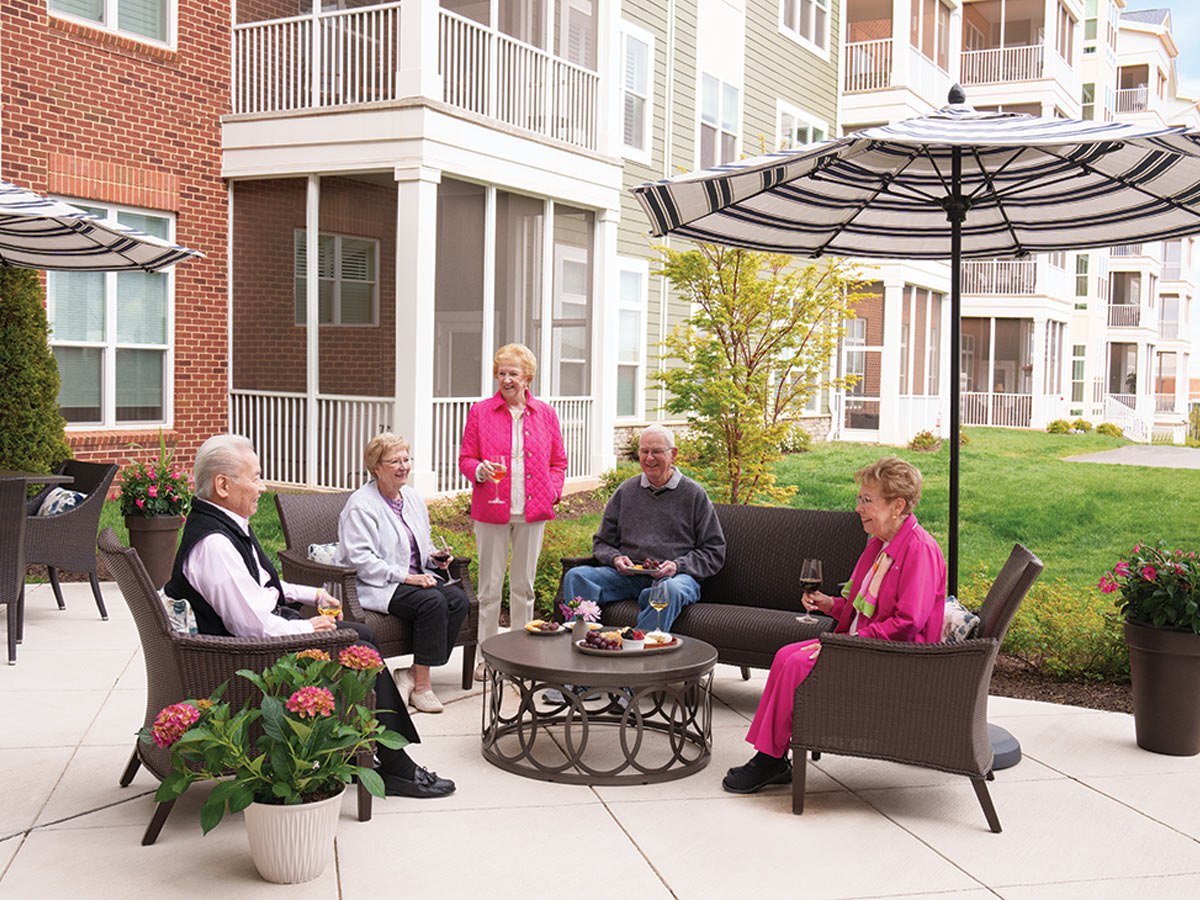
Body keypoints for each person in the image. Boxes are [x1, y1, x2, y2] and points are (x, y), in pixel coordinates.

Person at [163, 434, 455, 799]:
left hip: (244, 644)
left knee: (362, 636)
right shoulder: (215, 545)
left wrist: (310, 593)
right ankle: (394, 765)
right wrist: (307, 626)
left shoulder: (223, 525)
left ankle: (368, 753)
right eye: (255, 477)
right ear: (223, 485)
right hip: (243, 662)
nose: (262, 486)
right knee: (358, 644)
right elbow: (254, 628)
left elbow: (256, 587)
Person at [722, 456, 946, 794]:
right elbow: (865, 608)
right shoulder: (880, 545)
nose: (858, 507)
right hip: (868, 644)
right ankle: (772, 759)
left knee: (798, 664)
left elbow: (907, 623)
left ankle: (768, 760)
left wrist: (844, 645)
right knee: (785, 655)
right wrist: (831, 605)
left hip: (899, 659)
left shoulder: (919, 551)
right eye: (860, 499)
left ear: (897, 505)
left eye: (867, 500)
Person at [336, 433, 469, 714]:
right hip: (377, 584)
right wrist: (406, 577)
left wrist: (435, 560)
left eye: (406, 460)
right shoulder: (361, 505)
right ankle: (422, 687)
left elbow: (423, 543)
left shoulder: (411, 498)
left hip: (414, 578)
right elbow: (359, 560)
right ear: (376, 467)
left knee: (457, 599)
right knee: (432, 602)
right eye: (394, 461)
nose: (403, 466)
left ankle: (410, 673)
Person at [458, 343, 568, 679]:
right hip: (491, 507)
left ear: (527, 378)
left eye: (513, 373)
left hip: (533, 509)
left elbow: (558, 462)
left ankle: (521, 655)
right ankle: (487, 657)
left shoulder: (545, 414)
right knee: (490, 587)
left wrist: (551, 492)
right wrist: (479, 471)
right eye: (501, 372)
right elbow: (466, 458)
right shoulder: (480, 412)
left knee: (524, 586)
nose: (506, 379)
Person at [561, 424, 725, 633]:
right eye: (644, 451)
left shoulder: (693, 494)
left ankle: (639, 653)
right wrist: (615, 559)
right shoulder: (626, 491)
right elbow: (602, 542)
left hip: (675, 578)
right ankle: (584, 641)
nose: (649, 458)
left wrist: (677, 566)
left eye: (656, 451)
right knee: (577, 576)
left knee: (667, 590)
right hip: (628, 576)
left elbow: (714, 551)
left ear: (673, 454)